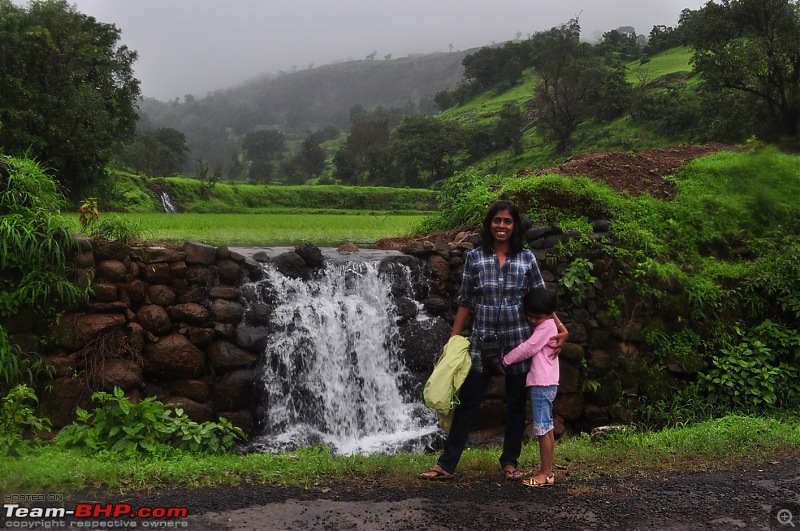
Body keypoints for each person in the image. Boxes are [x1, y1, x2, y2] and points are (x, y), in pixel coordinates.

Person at [419, 199, 568, 480]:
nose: (501, 226)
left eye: (507, 221)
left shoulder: (527, 259)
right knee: (467, 403)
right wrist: (453, 341)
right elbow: (465, 301)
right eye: (497, 221)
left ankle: (510, 462)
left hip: (518, 342)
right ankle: (446, 465)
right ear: (489, 224)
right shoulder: (476, 258)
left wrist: (561, 329)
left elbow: (541, 300)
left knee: (514, 404)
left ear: (514, 226)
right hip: (482, 342)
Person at [502, 288, 560, 487]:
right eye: (530, 316)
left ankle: (545, 473)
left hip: (541, 383)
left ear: (549, 313)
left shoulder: (546, 328)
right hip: (548, 382)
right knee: (548, 427)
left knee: (542, 429)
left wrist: (507, 359)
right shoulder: (551, 325)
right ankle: (548, 470)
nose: (533, 320)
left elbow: (529, 347)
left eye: (538, 317)